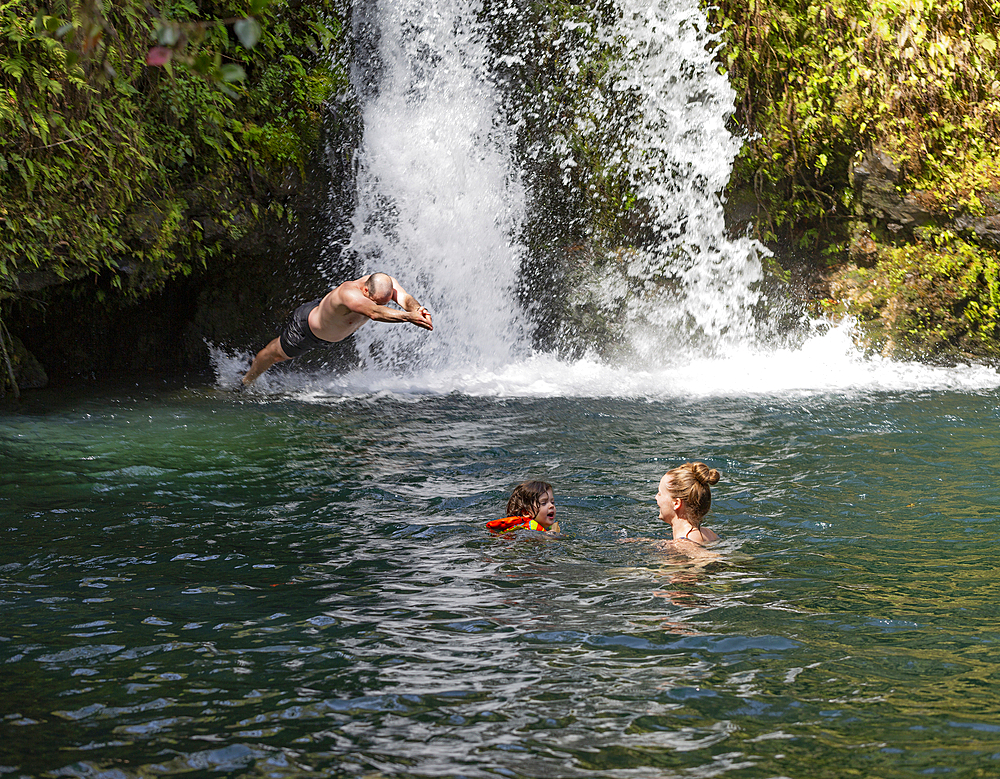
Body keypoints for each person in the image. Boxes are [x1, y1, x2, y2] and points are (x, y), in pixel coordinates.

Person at [241, 272, 433, 386]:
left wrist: (417, 309)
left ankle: (252, 364)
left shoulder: (386, 283)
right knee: (276, 355)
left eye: (387, 299)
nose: (384, 303)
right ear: (366, 291)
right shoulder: (350, 294)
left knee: (278, 356)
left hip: (326, 325)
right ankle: (245, 383)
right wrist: (409, 317)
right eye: (377, 301)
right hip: (306, 330)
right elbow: (375, 313)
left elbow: (405, 299)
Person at [654, 462, 721, 549]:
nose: (656, 497)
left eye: (660, 493)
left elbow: (705, 557)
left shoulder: (684, 544)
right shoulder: (708, 533)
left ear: (676, 503)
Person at [486, 480, 560, 534]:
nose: (551, 506)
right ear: (526, 512)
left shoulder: (540, 528)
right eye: (544, 503)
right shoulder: (525, 530)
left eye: (552, 502)